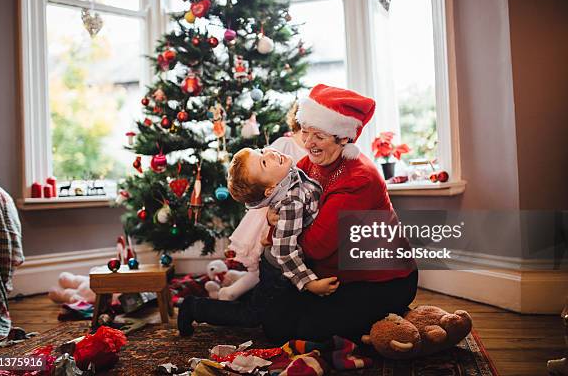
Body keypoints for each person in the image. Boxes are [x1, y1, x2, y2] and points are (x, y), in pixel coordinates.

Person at [259, 84, 418, 343]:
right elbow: (282, 208)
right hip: (331, 274)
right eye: (306, 132)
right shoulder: (309, 163)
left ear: (343, 137)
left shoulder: (359, 177)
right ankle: (371, 322)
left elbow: (317, 246)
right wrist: (274, 219)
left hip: (383, 281)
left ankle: (391, 317)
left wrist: (280, 228)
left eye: (318, 136)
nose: (309, 143)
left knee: (303, 333)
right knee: (277, 326)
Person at [177, 145, 337, 336]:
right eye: (263, 161)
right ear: (270, 189)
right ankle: (194, 307)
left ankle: (250, 295)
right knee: (254, 316)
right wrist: (310, 284)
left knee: (277, 315)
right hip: (279, 270)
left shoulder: (286, 174)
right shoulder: (290, 204)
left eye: (261, 152)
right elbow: (284, 252)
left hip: (283, 267)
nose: (270, 153)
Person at [218, 103, 308, 301]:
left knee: (268, 262)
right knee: (265, 258)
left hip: (295, 212)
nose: (267, 153)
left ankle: (242, 280)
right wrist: (268, 217)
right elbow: (259, 181)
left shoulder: (315, 150)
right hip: (271, 213)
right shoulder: (284, 146)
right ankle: (236, 290)